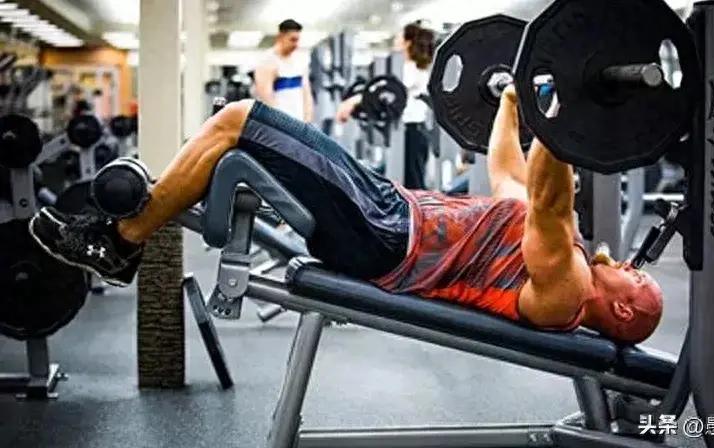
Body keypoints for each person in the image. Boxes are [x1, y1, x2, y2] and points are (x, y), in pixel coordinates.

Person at [29, 86, 663, 344]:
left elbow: (550, 201)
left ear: (624, 311)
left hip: (386, 240)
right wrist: (512, 100)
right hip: (388, 212)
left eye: (639, 279)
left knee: (239, 120)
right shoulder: (568, 260)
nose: (632, 266)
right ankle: (125, 238)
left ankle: (122, 242)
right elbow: (510, 175)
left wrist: (569, 109)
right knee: (233, 124)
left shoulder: (566, 293)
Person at [336, 22, 435, 189]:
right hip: (406, 133)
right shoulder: (408, 67)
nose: (395, 40)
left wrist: (352, 102)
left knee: (413, 186)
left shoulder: (411, 69)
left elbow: (387, 90)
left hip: (412, 134)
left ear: (407, 42)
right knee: (403, 183)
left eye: (399, 37)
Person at [253, 19, 313, 122]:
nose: (296, 45)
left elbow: (306, 94)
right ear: (280, 37)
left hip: (299, 122)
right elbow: (266, 98)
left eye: (298, 40)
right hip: (278, 124)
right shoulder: (267, 61)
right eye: (292, 40)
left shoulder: (300, 61)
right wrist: (281, 124)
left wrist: (307, 122)